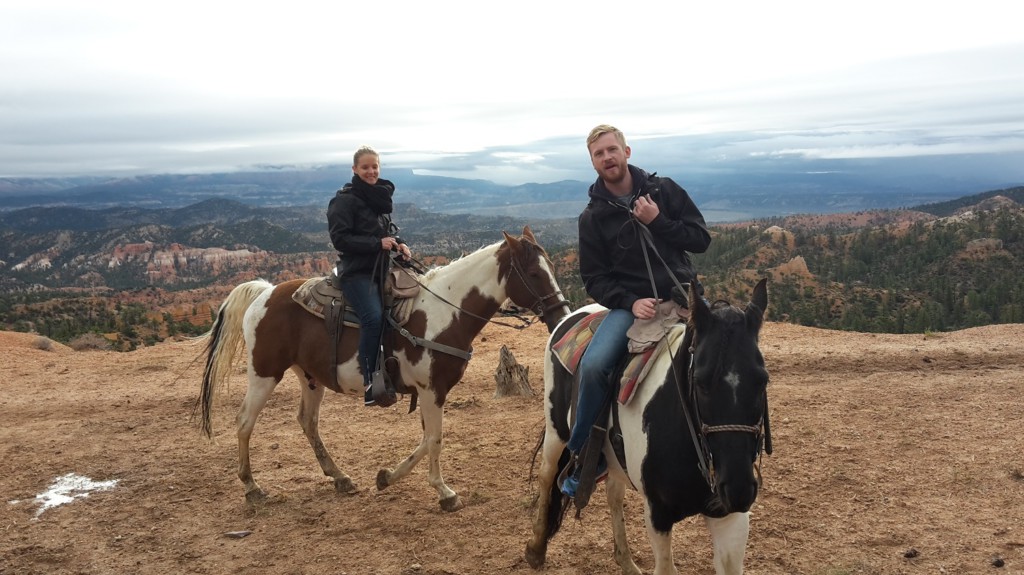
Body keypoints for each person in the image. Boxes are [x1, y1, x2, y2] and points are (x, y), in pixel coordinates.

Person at [562, 125, 712, 498]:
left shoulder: (664, 191)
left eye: (612, 149)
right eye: (599, 154)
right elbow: (594, 280)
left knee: (731, 349)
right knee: (596, 365)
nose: (607, 157)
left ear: (627, 151)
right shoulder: (593, 217)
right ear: (593, 162)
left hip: (681, 296)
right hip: (635, 308)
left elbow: (700, 239)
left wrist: (657, 221)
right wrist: (629, 301)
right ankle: (583, 454)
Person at [327, 145, 411, 407]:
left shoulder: (378, 198)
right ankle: (370, 383)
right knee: (373, 319)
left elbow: (385, 232)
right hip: (357, 273)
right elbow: (340, 239)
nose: (371, 171)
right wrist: (378, 244)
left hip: (382, 270)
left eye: (375, 166)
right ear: (355, 169)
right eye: (365, 167)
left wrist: (399, 243)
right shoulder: (344, 200)